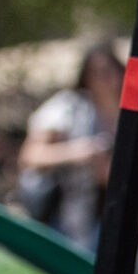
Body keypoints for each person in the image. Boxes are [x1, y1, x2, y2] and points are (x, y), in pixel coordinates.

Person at [18, 43, 123, 246]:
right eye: (97, 72)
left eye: (110, 70)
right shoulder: (69, 107)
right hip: (68, 220)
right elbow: (30, 156)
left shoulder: (132, 116)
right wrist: (81, 153)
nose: (105, 78)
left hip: (115, 220)